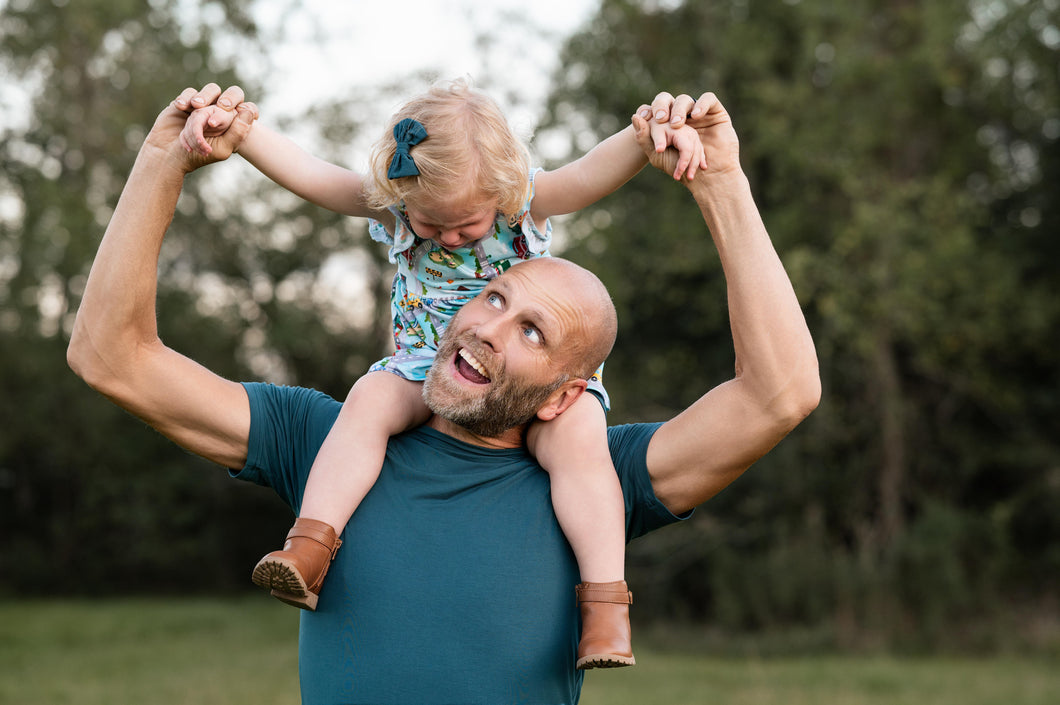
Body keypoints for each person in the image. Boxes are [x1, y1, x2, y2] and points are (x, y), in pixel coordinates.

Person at [67, 84, 820, 704]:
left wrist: (718, 181)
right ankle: (308, 548)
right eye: (494, 297)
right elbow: (111, 355)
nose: (493, 327)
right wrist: (164, 160)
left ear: (567, 393)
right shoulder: (323, 440)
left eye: (533, 333)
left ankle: (608, 607)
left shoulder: (595, 473)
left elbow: (780, 394)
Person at [174, 78, 707, 670]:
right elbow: (315, 177)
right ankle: (308, 547)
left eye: (465, 226)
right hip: (422, 365)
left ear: (501, 191)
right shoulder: (399, 208)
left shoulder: (523, 204)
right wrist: (245, 137)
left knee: (581, 447)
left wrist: (645, 139)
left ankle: (606, 609)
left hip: (525, 376)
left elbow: (588, 174)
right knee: (366, 403)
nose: (447, 236)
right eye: (432, 225)